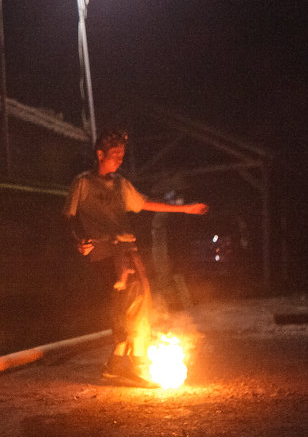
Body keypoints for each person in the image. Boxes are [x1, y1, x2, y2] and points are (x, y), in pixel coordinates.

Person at [64, 129, 208, 386]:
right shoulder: (83, 183)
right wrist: (79, 241)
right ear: (100, 155)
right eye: (115, 155)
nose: (120, 160)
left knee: (140, 299)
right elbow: (69, 217)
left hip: (128, 250)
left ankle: (118, 363)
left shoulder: (121, 184)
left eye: (122, 155)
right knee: (133, 301)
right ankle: (135, 363)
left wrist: (184, 209)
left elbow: (145, 203)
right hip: (106, 252)